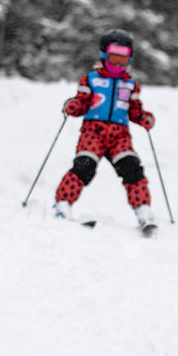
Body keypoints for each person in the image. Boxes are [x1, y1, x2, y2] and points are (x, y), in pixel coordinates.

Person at [53, 29, 157, 233]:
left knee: (132, 168)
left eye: (123, 61)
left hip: (119, 135)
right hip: (94, 132)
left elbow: (134, 110)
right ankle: (62, 204)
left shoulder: (130, 85)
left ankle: (143, 210)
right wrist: (73, 106)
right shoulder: (91, 79)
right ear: (103, 57)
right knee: (85, 166)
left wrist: (144, 118)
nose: (118, 65)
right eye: (114, 59)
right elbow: (82, 104)